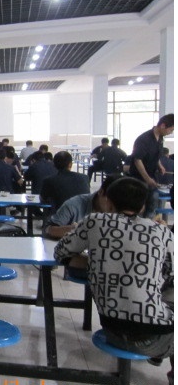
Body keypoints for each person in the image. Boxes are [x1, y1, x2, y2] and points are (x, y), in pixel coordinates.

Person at [54, 177, 173, 383]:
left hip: (111, 330)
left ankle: (158, 356)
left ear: (109, 202)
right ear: (143, 206)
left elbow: (61, 252)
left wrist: (101, 261)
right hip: (153, 335)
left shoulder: (93, 222)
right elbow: (170, 272)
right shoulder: (161, 231)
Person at [44, 173, 121, 240]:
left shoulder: (123, 210)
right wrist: (73, 229)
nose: (114, 207)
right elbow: (48, 230)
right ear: (100, 192)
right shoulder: (74, 205)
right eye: (111, 201)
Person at [129, 113, 174, 218]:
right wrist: (147, 179)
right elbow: (137, 160)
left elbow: (156, 155)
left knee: (151, 206)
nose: (171, 133)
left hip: (151, 176)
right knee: (139, 207)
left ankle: (148, 224)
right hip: (139, 178)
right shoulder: (144, 139)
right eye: (171, 130)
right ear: (163, 125)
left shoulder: (160, 138)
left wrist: (160, 165)